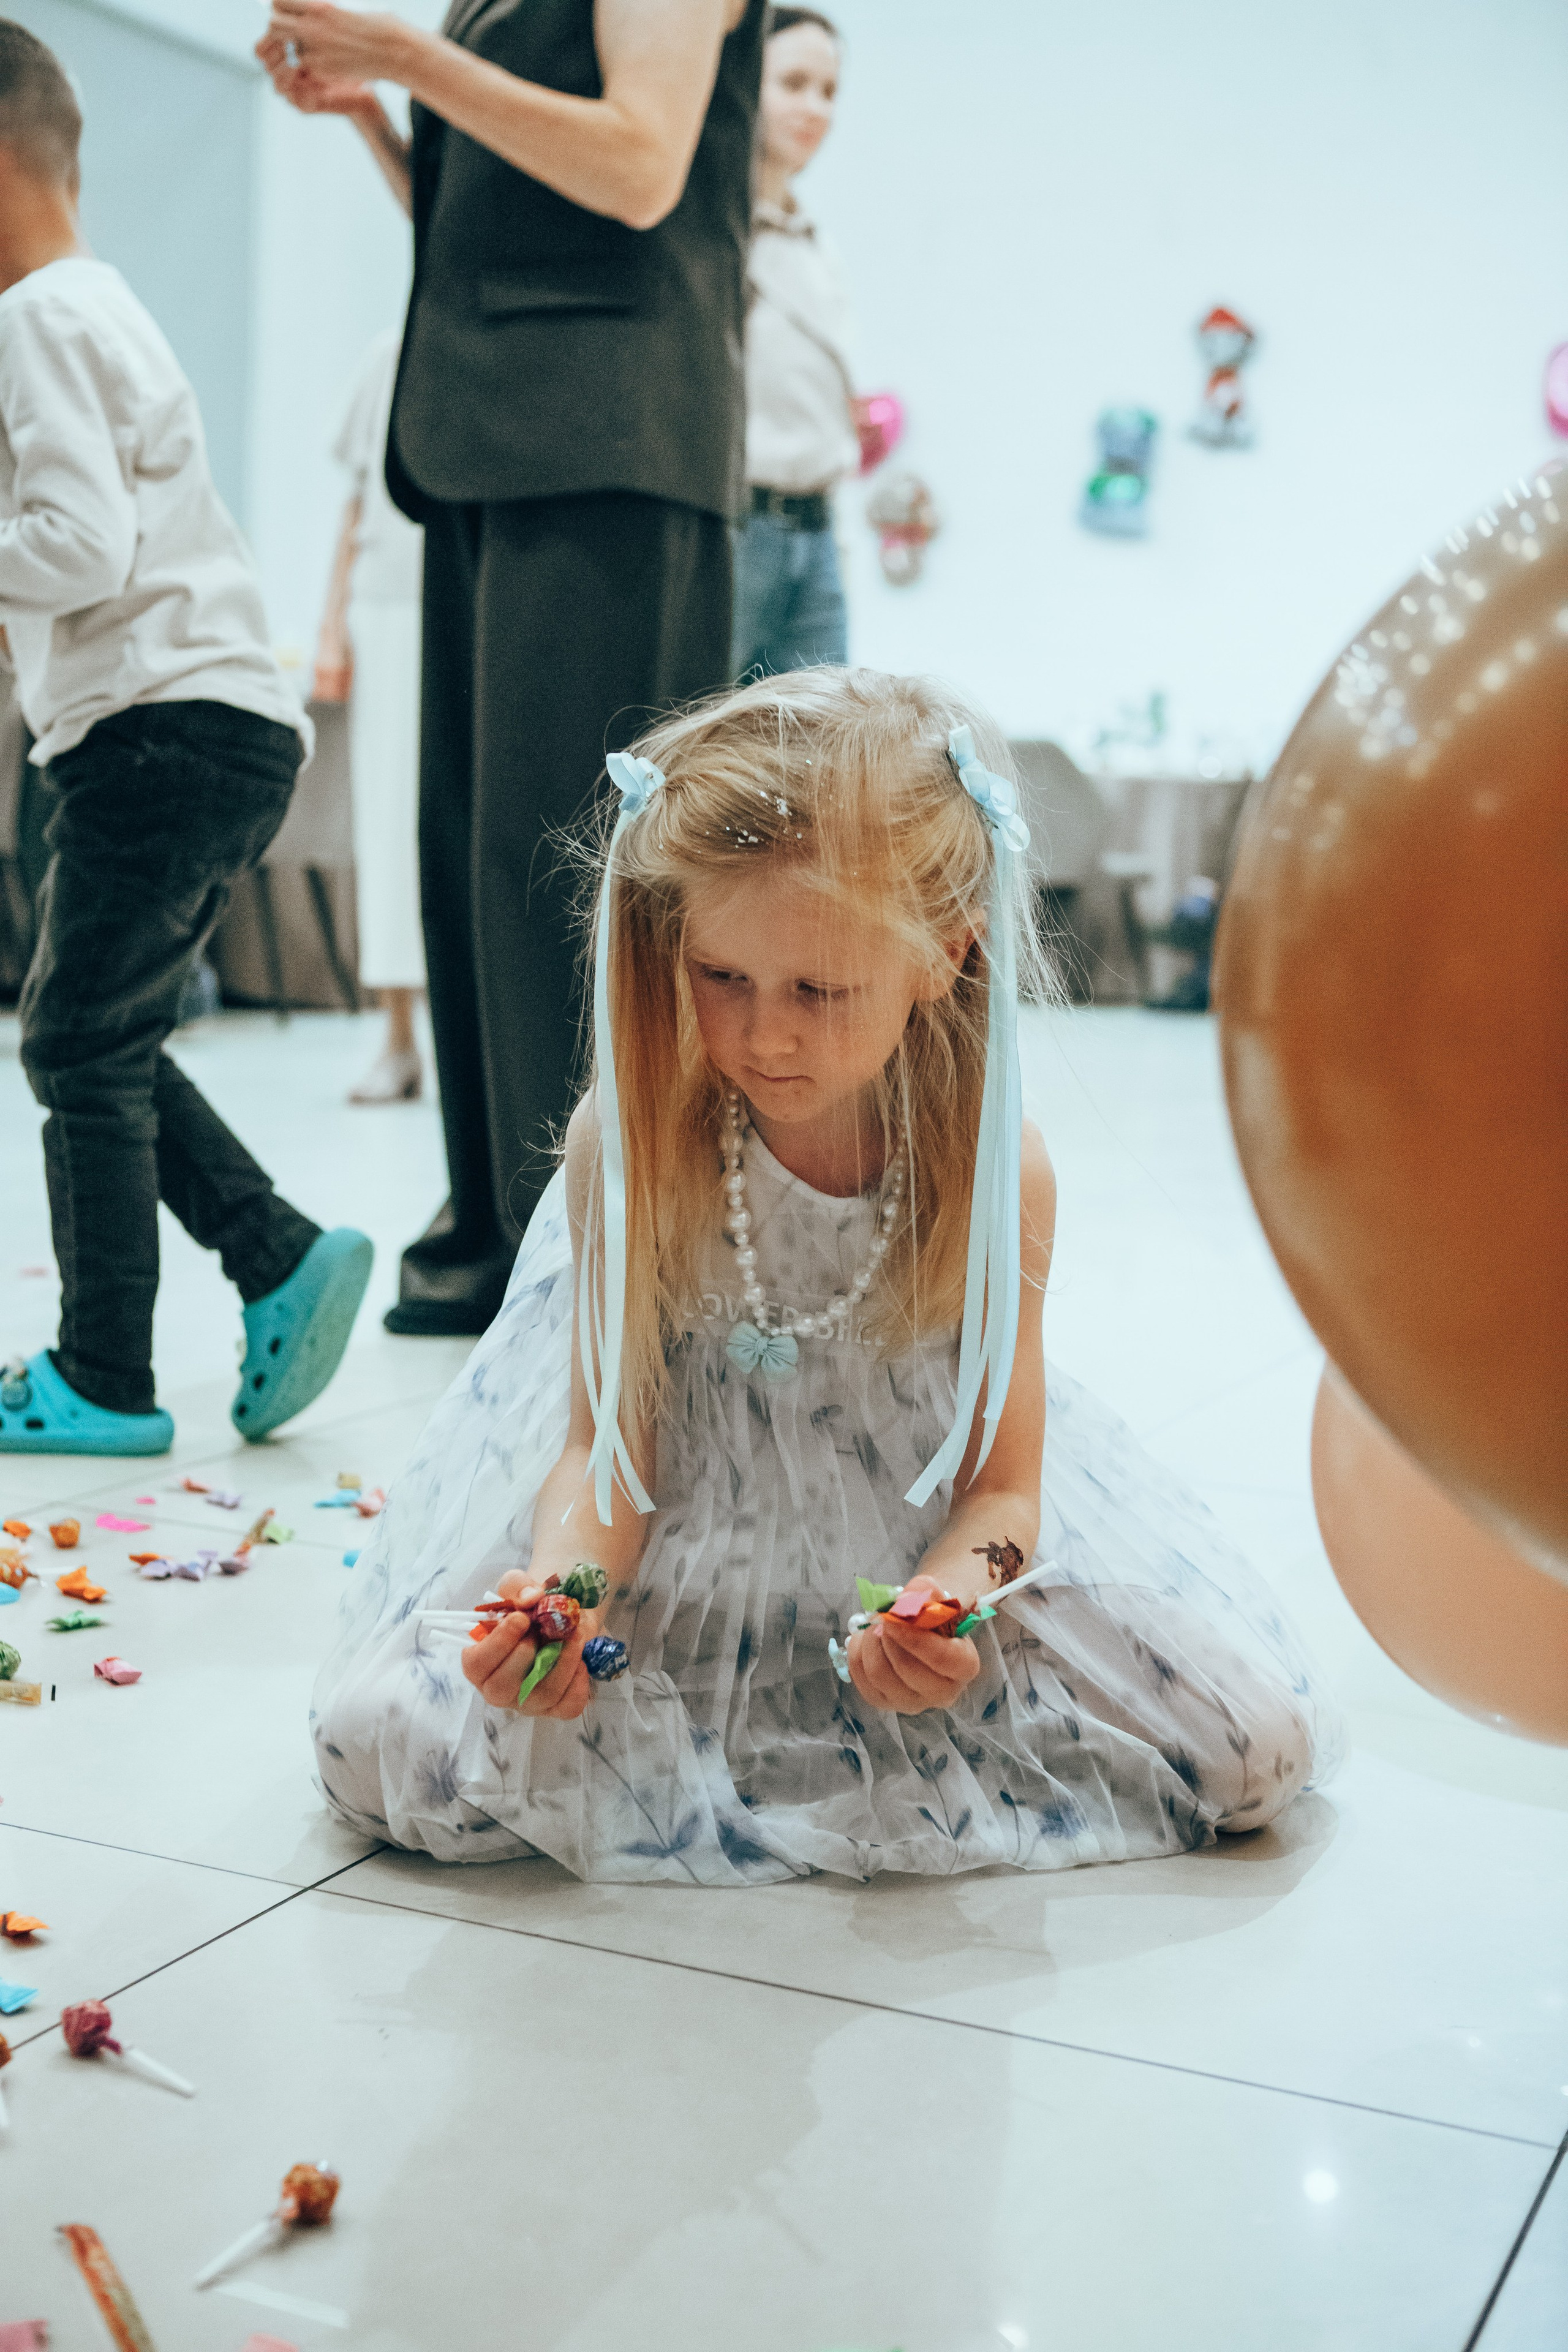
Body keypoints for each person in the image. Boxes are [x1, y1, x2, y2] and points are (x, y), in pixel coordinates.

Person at [311, 666, 1342, 1882]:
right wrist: (565, 1595)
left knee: (1251, 1744)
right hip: (683, 1563)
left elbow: (1005, 1499)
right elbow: (608, 1458)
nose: (765, 1033)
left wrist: (945, 1608)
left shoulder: (993, 1171)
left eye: (818, 989)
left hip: (903, 1552)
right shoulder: (629, 1143)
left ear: (943, 953)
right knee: (372, 1743)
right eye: (721, 976)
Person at [258, 0, 765, 1339]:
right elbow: (500, 205)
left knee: (572, 868)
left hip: (608, 442)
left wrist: (414, 60)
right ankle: (503, 1224)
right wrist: (379, 117)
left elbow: (639, 165)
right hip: (491, 438)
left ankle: (586, 1248)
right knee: (481, 866)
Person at [0, 23, 372, 1457]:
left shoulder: (36, 317)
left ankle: (103, 1373)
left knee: (78, 1039)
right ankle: (273, 1251)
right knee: (105, 1028)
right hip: (200, 724)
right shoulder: (99, 305)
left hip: (156, 731)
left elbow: (79, 545)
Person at [314, 329, 427, 1106]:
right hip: (389, 605)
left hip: (471, 599)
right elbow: (356, 504)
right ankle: (396, 1036)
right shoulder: (389, 353)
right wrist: (330, 625)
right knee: (387, 829)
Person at [731, 7, 860, 682]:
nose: (815, 107)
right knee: (701, 744)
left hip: (817, 532)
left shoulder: (818, 245)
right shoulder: (716, 236)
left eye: (829, 90)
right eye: (793, 83)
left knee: (824, 751)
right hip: (738, 526)